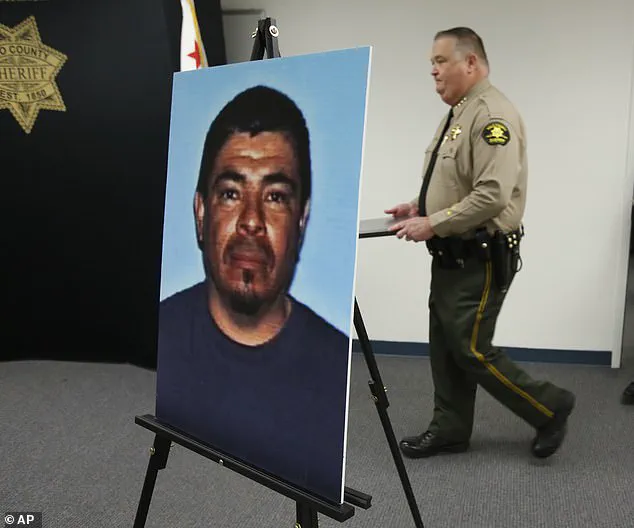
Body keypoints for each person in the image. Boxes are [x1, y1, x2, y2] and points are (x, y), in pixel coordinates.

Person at [385, 27, 575, 459]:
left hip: (481, 255)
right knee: (445, 343)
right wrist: (417, 206)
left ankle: (550, 407)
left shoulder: (491, 116)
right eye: (431, 63)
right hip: (452, 253)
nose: (433, 71)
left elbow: (492, 195)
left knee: (470, 348)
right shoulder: (459, 113)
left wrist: (433, 222)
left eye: (441, 61)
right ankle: (450, 429)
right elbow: (458, 181)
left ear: (470, 63)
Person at [156, 85, 350, 503]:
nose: (251, 221)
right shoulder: (160, 338)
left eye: (275, 197)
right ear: (201, 212)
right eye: (231, 193)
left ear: (302, 220)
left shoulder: (338, 366)